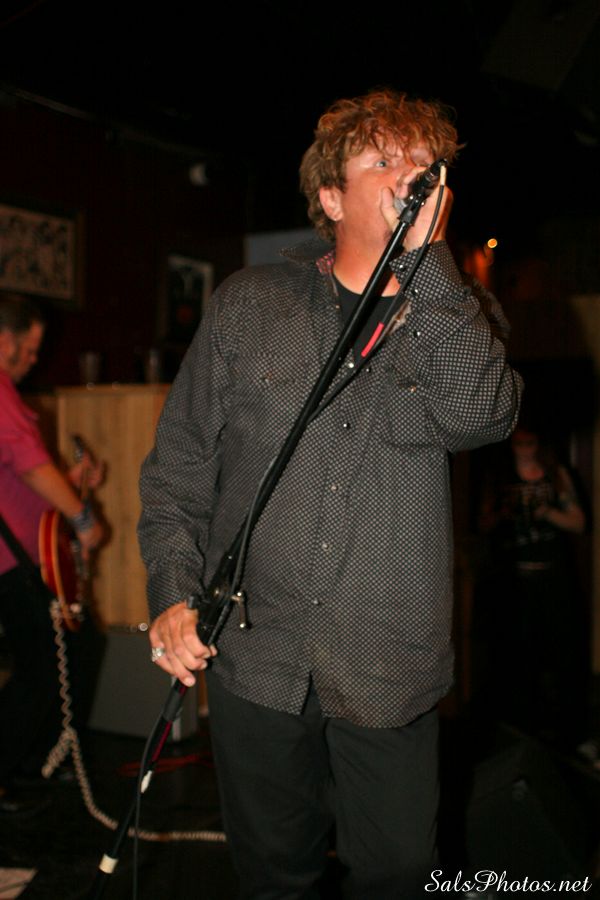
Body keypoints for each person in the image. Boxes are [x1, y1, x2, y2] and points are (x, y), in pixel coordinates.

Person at [138, 89, 523, 898]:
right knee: (274, 876)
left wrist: (430, 263)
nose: (409, 176)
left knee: (397, 873)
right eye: (383, 160)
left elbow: (481, 415)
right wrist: (172, 592)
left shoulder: (461, 314)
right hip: (256, 651)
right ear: (331, 197)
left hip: (387, 659)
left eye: (423, 163)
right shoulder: (249, 306)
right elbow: (179, 466)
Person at [0, 293, 104, 815]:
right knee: (44, 668)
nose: (34, 359)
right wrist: (84, 519)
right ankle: (18, 764)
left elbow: (22, 476)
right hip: (10, 562)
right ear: (5, 340)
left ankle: (36, 760)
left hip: (20, 556)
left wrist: (70, 481)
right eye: (30, 348)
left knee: (68, 653)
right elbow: (29, 467)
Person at [475, 421, 588, 748]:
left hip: (552, 577)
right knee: (518, 652)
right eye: (519, 444)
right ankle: (523, 725)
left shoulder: (556, 475)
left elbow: (579, 523)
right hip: (515, 580)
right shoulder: (499, 479)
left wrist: (547, 513)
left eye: (530, 443)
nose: (525, 450)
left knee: (561, 651)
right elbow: (482, 523)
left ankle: (566, 728)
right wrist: (503, 513)